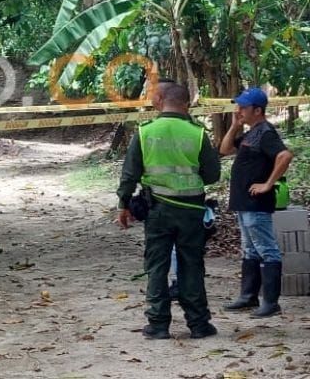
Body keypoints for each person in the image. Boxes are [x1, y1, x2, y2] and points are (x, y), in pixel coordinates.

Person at [116, 80, 221, 340]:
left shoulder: (145, 132)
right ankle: (198, 324)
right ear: (185, 102)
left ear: (160, 98)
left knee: (157, 266)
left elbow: (129, 174)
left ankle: (158, 324)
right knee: (192, 266)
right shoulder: (197, 133)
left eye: (152, 94)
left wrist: (123, 204)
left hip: (158, 210)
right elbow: (212, 174)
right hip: (191, 211)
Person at [221, 88, 295, 318]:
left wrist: (267, 184)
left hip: (256, 203)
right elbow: (224, 150)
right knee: (250, 249)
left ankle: (270, 302)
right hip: (244, 203)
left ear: (258, 110)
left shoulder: (266, 133)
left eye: (243, 107)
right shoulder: (252, 132)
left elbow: (285, 156)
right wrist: (235, 125)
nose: (239, 110)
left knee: (266, 249)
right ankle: (248, 296)